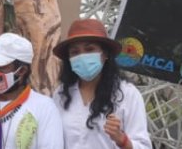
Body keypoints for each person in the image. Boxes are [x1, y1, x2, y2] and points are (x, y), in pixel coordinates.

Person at [52, 19, 150, 149]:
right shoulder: (61, 95)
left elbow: (144, 146)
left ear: (105, 54)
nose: (82, 56)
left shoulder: (128, 94)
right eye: (75, 52)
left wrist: (122, 140)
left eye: (89, 49)